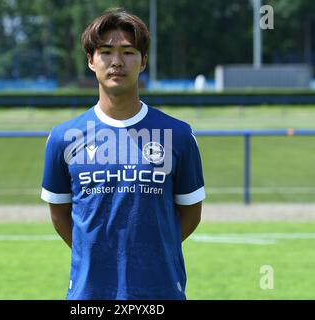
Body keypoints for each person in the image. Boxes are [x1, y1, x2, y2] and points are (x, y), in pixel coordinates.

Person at [41, 8, 205, 300]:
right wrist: (101, 254)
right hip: (89, 294)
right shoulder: (62, 138)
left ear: (143, 62)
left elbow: (191, 213)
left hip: (160, 292)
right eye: (106, 51)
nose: (117, 61)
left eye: (128, 52)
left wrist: (152, 250)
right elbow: (60, 216)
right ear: (91, 61)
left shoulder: (178, 135)